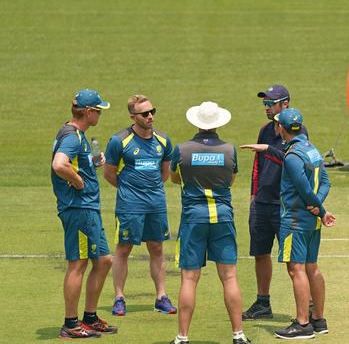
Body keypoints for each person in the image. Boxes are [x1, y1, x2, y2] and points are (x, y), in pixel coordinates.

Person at [169, 101, 252, 344]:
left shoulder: (182, 150)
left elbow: (175, 178)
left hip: (194, 218)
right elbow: (230, 180)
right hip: (222, 217)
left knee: (189, 278)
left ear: (196, 122)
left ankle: (182, 338)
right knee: (229, 277)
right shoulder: (229, 150)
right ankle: (238, 335)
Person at [51, 89, 117, 339]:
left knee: (104, 260)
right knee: (78, 264)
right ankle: (70, 323)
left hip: (88, 209)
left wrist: (90, 162)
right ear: (88, 112)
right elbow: (59, 164)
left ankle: (89, 317)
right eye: (98, 111)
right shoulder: (72, 137)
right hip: (78, 209)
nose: (100, 114)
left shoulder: (75, 135)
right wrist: (78, 181)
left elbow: (72, 160)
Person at [103, 94, 176, 316]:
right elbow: (109, 174)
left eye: (152, 111)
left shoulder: (163, 141)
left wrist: (148, 191)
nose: (150, 116)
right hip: (129, 206)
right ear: (133, 117)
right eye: (145, 113)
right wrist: (130, 191)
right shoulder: (119, 141)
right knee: (123, 249)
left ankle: (161, 297)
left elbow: (164, 174)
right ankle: (119, 298)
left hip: (156, 204)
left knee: (156, 248)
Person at [239, 84, 308, 320]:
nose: (266, 108)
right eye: (265, 104)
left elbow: (295, 159)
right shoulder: (265, 130)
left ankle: (307, 308)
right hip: (262, 203)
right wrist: (252, 195)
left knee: (294, 261)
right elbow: (258, 165)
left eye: (271, 103)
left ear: (285, 104)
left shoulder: (297, 130)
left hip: (286, 205)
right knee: (260, 253)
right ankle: (263, 303)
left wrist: (269, 148)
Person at [273, 108, 336, 340]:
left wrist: (319, 210)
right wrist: (319, 207)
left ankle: (302, 324)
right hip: (311, 222)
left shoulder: (291, 156)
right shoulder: (311, 149)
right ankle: (319, 320)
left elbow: (303, 188)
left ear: (283, 128)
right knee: (312, 267)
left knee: (295, 269)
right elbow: (326, 182)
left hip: (295, 221)